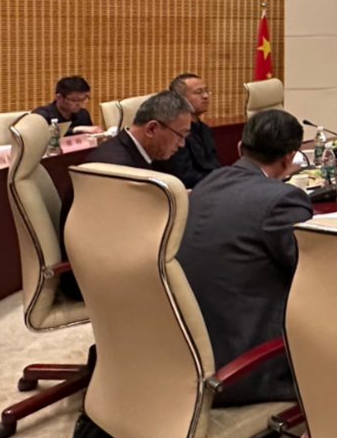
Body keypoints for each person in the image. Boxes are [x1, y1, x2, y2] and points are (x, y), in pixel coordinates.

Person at [175, 109, 314, 406]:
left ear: (240, 148)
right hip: (243, 367)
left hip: (186, 350)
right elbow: (312, 276)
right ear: (289, 158)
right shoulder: (282, 200)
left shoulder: (208, 183)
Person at [84, 91, 194, 171]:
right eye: (180, 135)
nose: (182, 144)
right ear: (151, 129)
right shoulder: (118, 169)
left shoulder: (141, 152)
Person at [161, 73, 221, 188]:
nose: (205, 96)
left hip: (211, 185)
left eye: (206, 91)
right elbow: (184, 177)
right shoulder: (171, 132)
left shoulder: (205, 129)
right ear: (180, 99)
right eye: (198, 92)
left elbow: (214, 165)